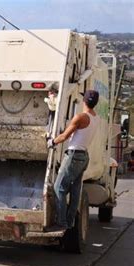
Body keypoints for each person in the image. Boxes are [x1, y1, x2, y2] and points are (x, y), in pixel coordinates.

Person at [46, 90, 100, 231]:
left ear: (84, 101)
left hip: (74, 156)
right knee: (75, 190)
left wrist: (51, 142)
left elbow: (64, 136)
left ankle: (61, 223)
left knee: (59, 188)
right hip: (83, 157)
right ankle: (69, 222)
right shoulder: (96, 117)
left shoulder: (80, 117)